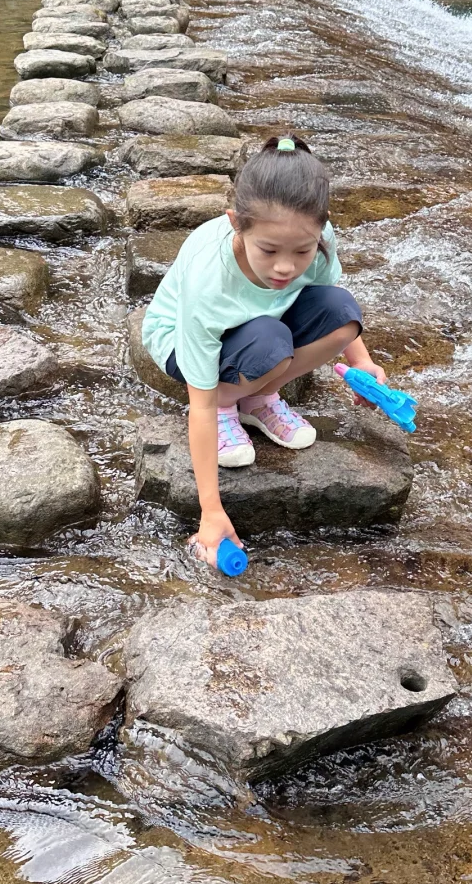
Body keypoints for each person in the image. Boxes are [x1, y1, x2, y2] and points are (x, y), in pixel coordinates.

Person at [141, 134, 386, 566]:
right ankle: (229, 404)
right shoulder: (209, 279)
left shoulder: (319, 236)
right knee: (271, 341)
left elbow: (327, 301)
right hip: (185, 342)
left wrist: (362, 363)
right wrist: (211, 511)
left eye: (302, 251)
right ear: (236, 223)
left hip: (265, 329)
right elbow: (194, 405)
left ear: (321, 228)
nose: (286, 267)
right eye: (269, 251)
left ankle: (256, 397)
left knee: (344, 313)